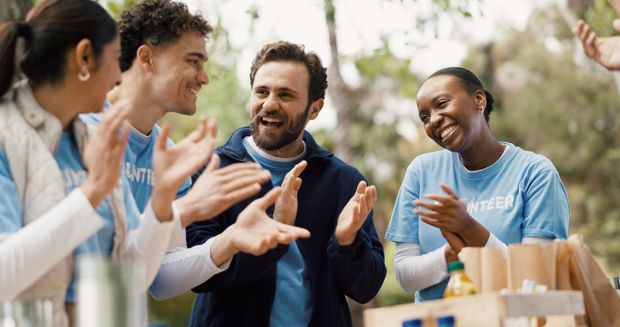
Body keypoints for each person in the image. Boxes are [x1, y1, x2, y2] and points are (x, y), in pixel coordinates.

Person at [0, 0, 224, 325]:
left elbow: (132, 272)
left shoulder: (96, 142)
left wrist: (163, 203)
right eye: (116, 58)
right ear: (85, 57)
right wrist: (90, 194)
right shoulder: (8, 135)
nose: (121, 74)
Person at [80, 0, 309, 300]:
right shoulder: (80, 130)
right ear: (146, 58)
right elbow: (91, 261)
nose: (204, 77)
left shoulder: (168, 155)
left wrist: (227, 240)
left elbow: (159, 279)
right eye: (193, 61)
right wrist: (183, 211)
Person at [185, 41, 387, 327]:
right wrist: (270, 234)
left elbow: (366, 287)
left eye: (285, 95)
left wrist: (347, 242)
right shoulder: (211, 170)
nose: (269, 104)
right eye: (262, 92)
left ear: (314, 109)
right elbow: (197, 273)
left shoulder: (345, 182)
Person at [385, 67, 570, 302]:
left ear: (478, 100)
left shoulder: (535, 173)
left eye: (441, 104)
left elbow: (535, 279)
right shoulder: (421, 172)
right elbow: (405, 276)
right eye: (424, 117)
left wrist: (470, 230)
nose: (434, 120)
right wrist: (450, 255)